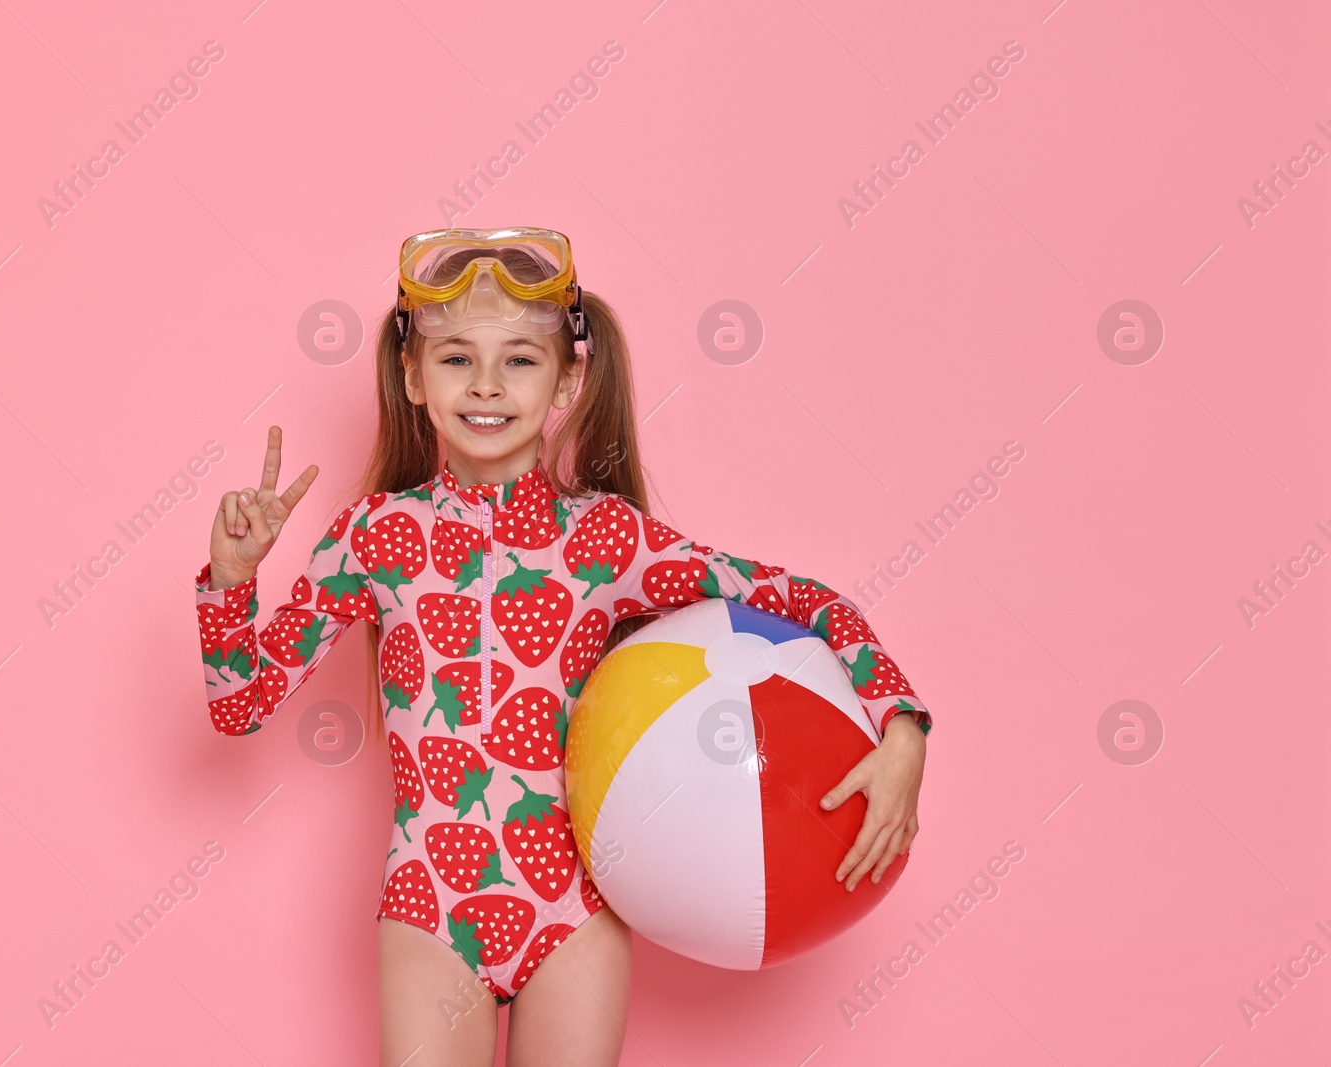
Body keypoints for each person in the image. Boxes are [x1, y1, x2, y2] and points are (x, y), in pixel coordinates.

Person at [193, 228, 931, 1067]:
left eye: (519, 361)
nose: (485, 386)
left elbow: (802, 599)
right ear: (410, 376)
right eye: (455, 359)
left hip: (574, 913)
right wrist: (231, 579)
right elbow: (238, 705)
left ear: (567, 380)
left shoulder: (606, 539)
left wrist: (902, 725)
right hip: (432, 907)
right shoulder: (375, 536)